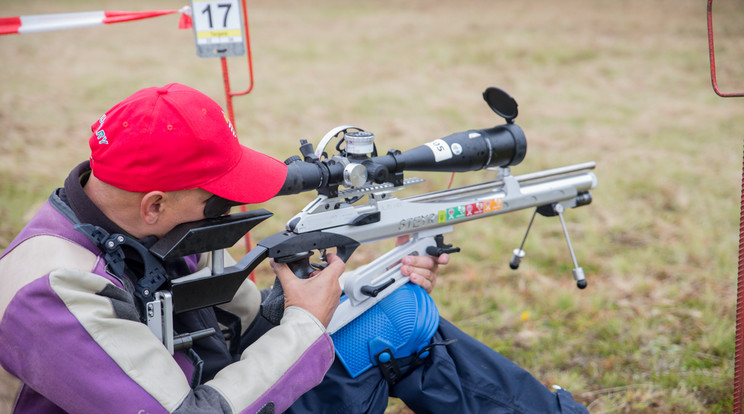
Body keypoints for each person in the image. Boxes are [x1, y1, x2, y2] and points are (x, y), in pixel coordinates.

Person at [0, 83, 588, 413]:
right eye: (218, 200)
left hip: (227, 392)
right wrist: (307, 323)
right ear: (154, 202)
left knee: (398, 315)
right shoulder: (49, 289)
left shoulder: (142, 229)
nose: (228, 212)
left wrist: (364, 278)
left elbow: (249, 329)